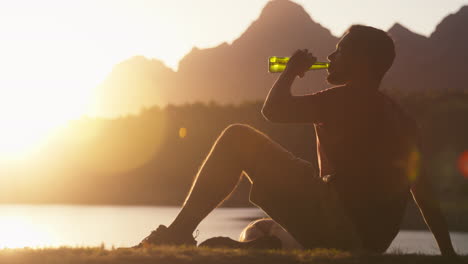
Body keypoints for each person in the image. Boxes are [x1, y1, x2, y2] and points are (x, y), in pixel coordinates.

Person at [135, 25, 457, 256]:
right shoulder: (401, 118)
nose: (331, 55)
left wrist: (290, 71)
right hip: (369, 242)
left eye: (340, 50)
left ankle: (177, 233)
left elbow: (272, 110)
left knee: (237, 137)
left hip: (337, 222)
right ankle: (265, 248)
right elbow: (424, 194)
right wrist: (448, 253)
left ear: (360, 61)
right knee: (262, 227)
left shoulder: (343, 98)